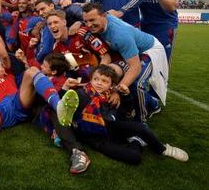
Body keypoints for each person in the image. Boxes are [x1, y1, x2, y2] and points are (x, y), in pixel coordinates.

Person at [0, 23, 79, 188]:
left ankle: (59, 106)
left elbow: (3, 54)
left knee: (32, 71)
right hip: (1, 112)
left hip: (18, 101)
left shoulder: (2, 70)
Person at [56, 65, 188, 174]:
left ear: (111, 85)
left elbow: (127, 110)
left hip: (112, 127)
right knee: (135, 158)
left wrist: (126, 95)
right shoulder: (81, 93)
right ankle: (136, 141)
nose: (99, 83)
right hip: (97, 139)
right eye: (96, 79)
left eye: (104, 81)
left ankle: (163, 149)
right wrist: (65, 88)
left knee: (141, 127)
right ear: (90, 79)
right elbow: (64, 106)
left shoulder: (111, 96)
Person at [82, 2, 168, 122]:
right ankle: (153, 103)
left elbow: (135, 67)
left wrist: (116, 91)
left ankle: (140, 120)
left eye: (92, 20)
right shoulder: (103, 20)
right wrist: (77, 24)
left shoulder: (119, 36)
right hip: (133, 50)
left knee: (137, 84)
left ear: (103, 16)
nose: (88, 25)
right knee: (122, 79)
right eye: (85, 21)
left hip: (150, 50)